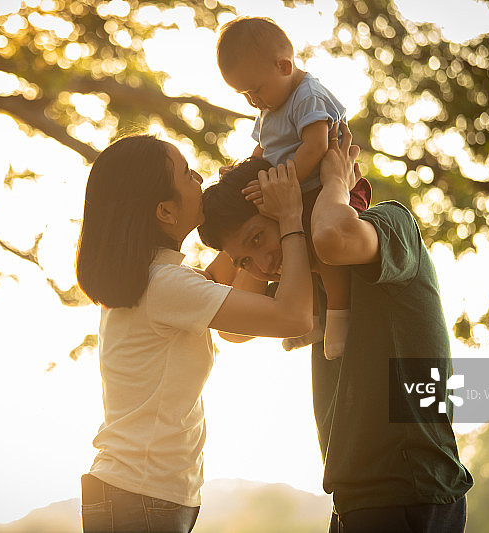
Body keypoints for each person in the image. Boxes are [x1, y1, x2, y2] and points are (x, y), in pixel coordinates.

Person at [198, 122, 474, 533]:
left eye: (257, 240)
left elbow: (331, 234)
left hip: (411, 489)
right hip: (356, 496)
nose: (262, 266)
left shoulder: (390, 225)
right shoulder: (304, 279)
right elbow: (233, 327)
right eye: (245, 262)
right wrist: (254, 221)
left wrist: (328, 184)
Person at [75, 134, 314, 533]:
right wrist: (290, 216)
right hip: (140, 497)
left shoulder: (156, 280)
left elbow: (230, 272)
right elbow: (294, 317)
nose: (201, 178)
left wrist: (245, 187)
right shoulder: (166, 286)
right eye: (187, 173)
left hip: (136, 493)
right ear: (166, 211)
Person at [217, 16, 371, 360]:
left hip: (328, 188)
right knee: (297, 251)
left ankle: (339, 313)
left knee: (321, 247)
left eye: (255, 90)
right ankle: (311, 319)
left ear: (284, 66)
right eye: (244, 94)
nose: (252, 101)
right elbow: (262, 151)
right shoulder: (270, 105)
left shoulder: (307, 97)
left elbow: (316, 147)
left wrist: (282, 187)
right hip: (300, 193)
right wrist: (241, 173)